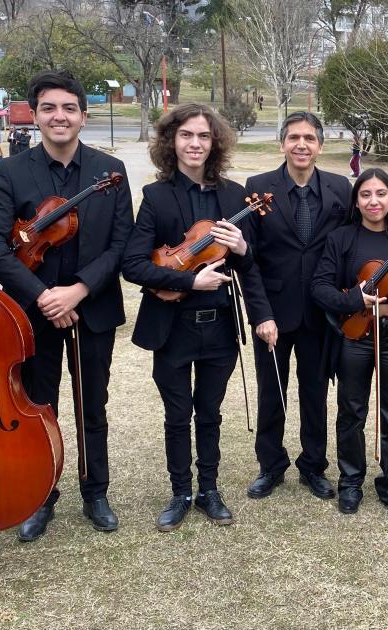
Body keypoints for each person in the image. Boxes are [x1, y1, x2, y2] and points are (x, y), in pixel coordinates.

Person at [0, 70, 134, 542]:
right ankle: (40, 494)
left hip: (92, 306)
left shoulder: (110, 171)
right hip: (34, 312)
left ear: (83, 116)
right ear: (36, 115)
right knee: (36, 404)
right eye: (49, 108)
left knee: (93, 402)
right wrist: (44, 296)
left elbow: (121, 242)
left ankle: (96, 490)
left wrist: (80, 289)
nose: (59, 116)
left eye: (69, 108)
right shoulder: (12, 171)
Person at [241, 112, 388, 502]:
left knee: (314, 393)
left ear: (320, 146)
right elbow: (248, 259)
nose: (301, 144)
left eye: (309, 138)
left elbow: (373, 211)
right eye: (294, 137)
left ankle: (313, 466)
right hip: (273, 310)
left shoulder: (341, 187)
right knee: (271, 393)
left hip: (324, 313)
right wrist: (260, 313)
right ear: (282, 144)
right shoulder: (258, 187)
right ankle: (271, 466)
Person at [121, 104, 253, 531]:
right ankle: (180, 492)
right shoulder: (156, 197)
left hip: (219, 327)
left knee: (210, 413)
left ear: (215, 144)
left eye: (203, 136)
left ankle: (209, 490)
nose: (195, 144)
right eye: (186, 136)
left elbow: (253, 267)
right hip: (172, 328)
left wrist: (243, 250)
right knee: (177, 413)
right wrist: (188, 282)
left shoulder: (234, 197)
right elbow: (134, 265)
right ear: (171, 142)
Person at [310, 169, 388, 516]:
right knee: (352, 412)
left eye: (381, 194)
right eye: (365, 194)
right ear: (355, 201)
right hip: (355, 335)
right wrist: (354, 300)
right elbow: (320, 287)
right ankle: (351, 482)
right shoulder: (342, 238)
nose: (374, 201)